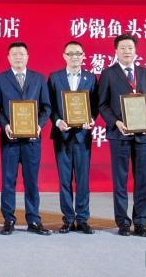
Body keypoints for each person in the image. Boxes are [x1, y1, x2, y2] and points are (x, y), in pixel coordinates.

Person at [98, 34, 146, 237]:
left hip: (143, 136)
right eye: (122, 48)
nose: (126, 51)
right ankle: (123, 222)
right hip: (119, 134)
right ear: (116, 51)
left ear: (136, 51)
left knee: (143, 179)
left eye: (130, 48)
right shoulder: (108, 74)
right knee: (120, 179)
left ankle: (140, 222)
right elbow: (102, 104)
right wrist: (116, 122)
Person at [0, 42, 52, 236]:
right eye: (14, 54)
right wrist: (5, 125)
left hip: (32, 139)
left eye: (22, 54)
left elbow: (46, 107)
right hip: (10, 138)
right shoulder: (0, 79)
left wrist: (39, 125)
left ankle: (33, 219)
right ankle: (8, 219)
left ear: (27, 57)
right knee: (8, 180)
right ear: (8, 57)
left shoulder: (38, 78)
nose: (18, 57)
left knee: (32, 180)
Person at [48, 41, 99, 234]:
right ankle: (68, 219)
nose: (75, 57)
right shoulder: (55, 78)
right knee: (64, 179)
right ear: (64, 56)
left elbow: (95, 105)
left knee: (83, 179)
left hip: (82, 136)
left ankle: (83, 219)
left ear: (83, 56)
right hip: (62, 135)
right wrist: (57, 121)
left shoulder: (91, 78)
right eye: (70, 54)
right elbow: (50, 105)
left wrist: (91, 118)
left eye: (78, 53)